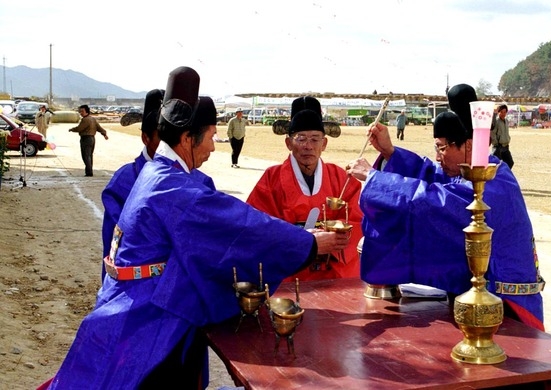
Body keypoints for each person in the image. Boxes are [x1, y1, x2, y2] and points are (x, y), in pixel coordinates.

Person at [40, 66, 348, 389]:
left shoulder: (158, 173)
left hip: (134, 303)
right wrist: (309, 243)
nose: (214, 148)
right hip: (147, 317)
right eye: (212, 137)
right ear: (188, 138)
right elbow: (241, 227)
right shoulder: (173, 189)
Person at [346, 83, 545, 331]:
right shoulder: (463, 172)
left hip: (505, 301)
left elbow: (436, 201)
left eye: (442, 148)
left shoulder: (493, 181)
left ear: (469, 145)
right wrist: (389, 151)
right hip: (475, 296)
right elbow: (431, 176)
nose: (438, 157)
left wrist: (376, 179)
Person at [247, 96, 363, 281]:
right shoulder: (271, 179)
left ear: (324, 144)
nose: (308, 146)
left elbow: (358, 219)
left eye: (315, 139)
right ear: (288, 143)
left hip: (332, 269)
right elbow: (257, 227)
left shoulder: (340, 178)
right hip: (290, 270)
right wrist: (303, 242)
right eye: (301, 139)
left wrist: (337, 240)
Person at [100, 89, 164, 281]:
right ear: (146, 138)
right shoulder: (124, 180)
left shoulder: (196, 179)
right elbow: (113, 245)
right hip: (135, 288)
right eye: (162, 138)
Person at [68, 104, 109, 176]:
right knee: (89, 155)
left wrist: (72, 129)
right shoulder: (93, 119)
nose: (81, 113)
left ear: (86, 111)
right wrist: (104, 134)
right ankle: (89, 171)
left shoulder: (85, 120)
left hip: (86, 139)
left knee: (86, 156)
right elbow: (99, 128)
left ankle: (89, 172)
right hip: (92, 139)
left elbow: (79, 128)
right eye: (80, 111)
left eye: (82, 111)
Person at [490, 104, 514, 169]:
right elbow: (492, 133)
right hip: (498, 147)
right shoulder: (496, 121)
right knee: (496, 165)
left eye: (505, 112)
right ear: (499, 112)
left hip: (506, 146)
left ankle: (504, 176)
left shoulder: (506, 121)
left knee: (510, 163)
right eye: (501, 112)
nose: (503, 114)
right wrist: (496, 143)